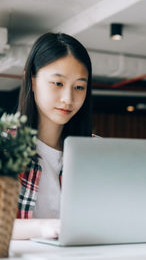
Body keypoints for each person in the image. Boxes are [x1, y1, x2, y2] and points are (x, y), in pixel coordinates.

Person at [15, 32, 92, 223]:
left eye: (79, 87)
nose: (68, 98)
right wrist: (48, 230)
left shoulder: (94, 150)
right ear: (31, 81)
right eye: (58, 83)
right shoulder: (7, 147)